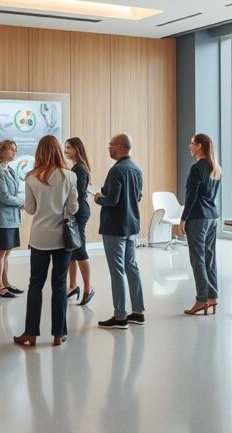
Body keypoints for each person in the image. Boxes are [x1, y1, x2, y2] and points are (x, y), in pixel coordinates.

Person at [14, 135, 79, 347]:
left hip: (39, 238)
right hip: (62, 238)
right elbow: (73, 208)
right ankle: (58, 334)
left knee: (35, 284)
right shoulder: (69, 176)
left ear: (39, 152)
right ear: (59, 151)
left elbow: (31, 209)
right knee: (60, 285)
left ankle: (31, 334)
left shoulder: (32, 177)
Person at [95, 134, 146, 329]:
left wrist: (99, 197)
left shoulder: (116, 170)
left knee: (117, 270)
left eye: (111, 145)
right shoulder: (136, 169)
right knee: (131, 267)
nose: (109, 149)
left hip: (115, 227)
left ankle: (120, 316)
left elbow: (112, 200)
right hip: (132, 225)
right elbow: (138, 196)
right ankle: (138, 312)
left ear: (119, 147)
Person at [179, 134, 222, 315]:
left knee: (198, 259)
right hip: (212, 217)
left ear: (199, 146)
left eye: (192, 144)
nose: (189, 147)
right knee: (209, 257)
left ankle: (201, 300)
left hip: (198, 218)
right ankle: (212, 297)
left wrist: (183, 219)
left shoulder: (197, 168)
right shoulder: (216, 168)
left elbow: (191, 197)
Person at [0, 140, 25, 298]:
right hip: (1, 218)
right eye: (11, 149)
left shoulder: (9, 170)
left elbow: (14, 193)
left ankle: (6, 283)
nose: (14, 152)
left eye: (15, 149)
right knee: (1, 252)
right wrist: (21, 202)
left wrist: (19, 201)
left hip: (11, 217)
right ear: (2, 151)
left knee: (7, 252)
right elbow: (4, 197)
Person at [64, 137, 95, 305]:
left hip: (78, 213)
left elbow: (79, 194)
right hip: (74, 212)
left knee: (79, 249)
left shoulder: (79, 169)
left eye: (69, 147)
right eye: (65, 147)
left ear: (77, 148)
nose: (65, 150)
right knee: (71, 250)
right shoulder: (76, 167)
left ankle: (88, 287)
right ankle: (73, 286)